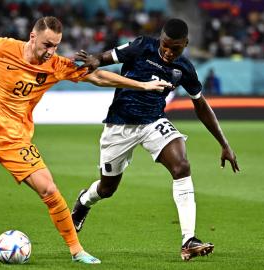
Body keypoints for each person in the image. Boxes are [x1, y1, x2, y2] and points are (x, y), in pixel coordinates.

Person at [0, 16, 169, 264]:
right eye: (46, 45)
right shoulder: (3, 47)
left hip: (16, 141)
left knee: (49, 190)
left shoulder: (55, 65)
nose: (50, 51)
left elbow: (97, 76)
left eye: (55, 46)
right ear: (32, 36)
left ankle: (77, 251)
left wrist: (142, 85)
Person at [71, 18, 240, 261]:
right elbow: (108, 57)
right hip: (120, 124)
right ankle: (84, 201)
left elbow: (201, 105)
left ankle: (188, 240)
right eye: (166, 45)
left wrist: (224, 144)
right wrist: (96, 59)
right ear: (160, 39)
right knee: (107, 188)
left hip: (153, 123)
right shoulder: (143, 46)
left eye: (176, 48)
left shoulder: (185, 69)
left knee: (182, 165)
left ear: (185, 44)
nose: (169, 52)